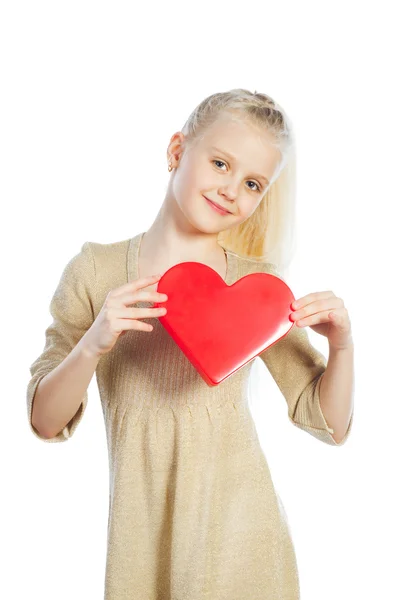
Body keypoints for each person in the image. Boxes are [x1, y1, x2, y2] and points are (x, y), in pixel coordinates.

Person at [26, 88, 354, 599]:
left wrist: (343, 347)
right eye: (220, 163)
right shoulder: (96, 271)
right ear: (177, 151)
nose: (231, 190)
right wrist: (93, 343)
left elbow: (329, 425)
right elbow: (45, 421)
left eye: (251, 183)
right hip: (142, 548)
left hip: (245, 544)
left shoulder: (258, 292)